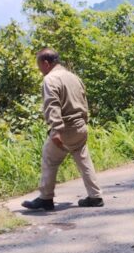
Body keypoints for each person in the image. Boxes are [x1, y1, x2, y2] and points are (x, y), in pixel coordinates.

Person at [22, 48, 103, 210]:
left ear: (46, 63)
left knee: (49, 158)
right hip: (80, 126)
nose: (39, 69)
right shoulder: (74, 77)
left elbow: (52, 105)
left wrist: (56, 129)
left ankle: (46, 198)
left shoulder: (50, 79)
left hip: (65, 129)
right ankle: (95, 196)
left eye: (39, 65)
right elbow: (84, 101)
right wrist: (83, 123)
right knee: (83, 159)